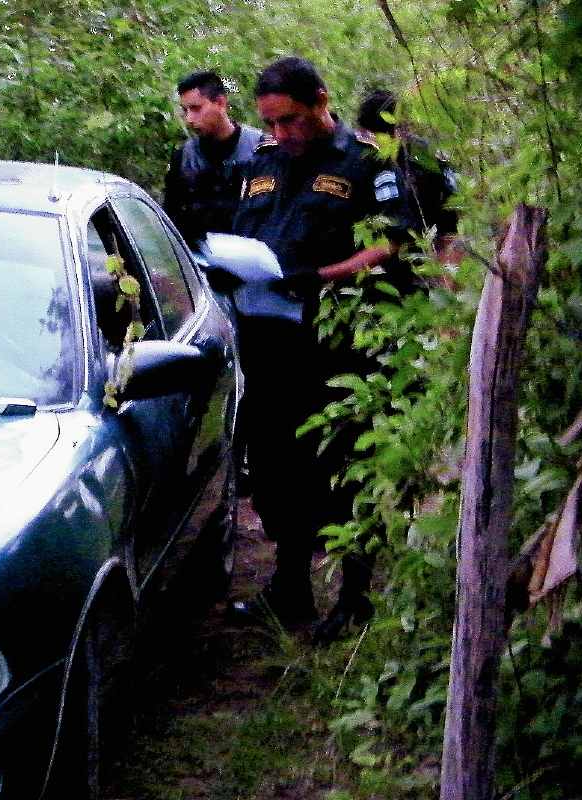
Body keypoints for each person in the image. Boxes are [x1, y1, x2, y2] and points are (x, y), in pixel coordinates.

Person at [226, 57, 415, 633]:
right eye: (271, 124)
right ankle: (289, 590)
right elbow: (245, 232)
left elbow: (394, 240)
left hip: (341, 345)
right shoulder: (263, 160)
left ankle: (355, 597)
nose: (280, 134)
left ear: (320, 102)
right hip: (272, 342)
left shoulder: (365, 160)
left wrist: (324, 276)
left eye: (289, 121)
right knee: (279, 467)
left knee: (345, 466)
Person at [355, 88, 461, 294]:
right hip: (369, 270)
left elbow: (449, 232)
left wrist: (447, 289)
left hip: (421, 264)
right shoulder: (355, 158)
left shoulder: (430, 161)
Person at [164, 71, 262, 247]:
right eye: (185, 111)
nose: (189, 119)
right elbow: (171, 218)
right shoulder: (184, 158)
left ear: (220, 103)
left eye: (196, 108)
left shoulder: (261, 149)